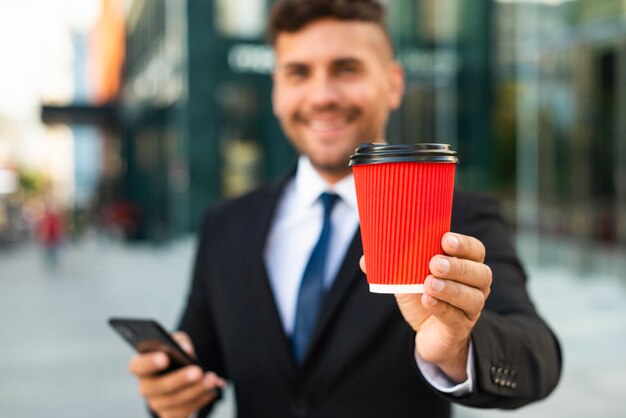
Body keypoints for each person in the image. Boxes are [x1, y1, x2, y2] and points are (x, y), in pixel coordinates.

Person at [128, 1, 562, 417]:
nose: (322, 96)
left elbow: (537, 357)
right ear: (276, 90)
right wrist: (170, 394)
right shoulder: (226, 223)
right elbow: (199, 367)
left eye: (346, 69)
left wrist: (457, 348)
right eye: (298, 73)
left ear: (393, 84)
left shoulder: (458, 215)